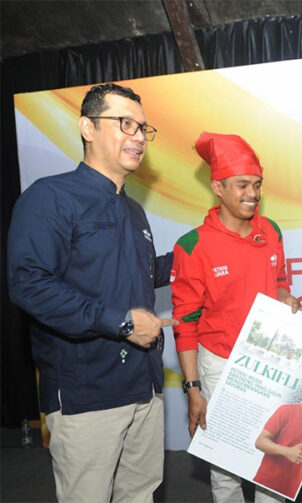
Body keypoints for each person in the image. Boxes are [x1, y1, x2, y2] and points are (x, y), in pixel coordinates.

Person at [7, 82, 177, 502]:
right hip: (87, 393)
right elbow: (29, 284)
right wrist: (121, 323)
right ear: (88, 127)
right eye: (125, 123)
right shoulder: (50, 197)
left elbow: (139, 275)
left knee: (140, 495)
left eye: (143, 128)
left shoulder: (133, 210)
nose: (139, 136)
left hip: (144, 387)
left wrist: (200, 256)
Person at [170, 131, 300, 503]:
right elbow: (185, 324)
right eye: (242, 185)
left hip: (271, 362)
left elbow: (280, 280)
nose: (252, 193)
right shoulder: (193, 246)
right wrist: (193, 389)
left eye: (257, 184)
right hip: (220, 364)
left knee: (273, 460)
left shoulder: (271, 231)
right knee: (227, 465)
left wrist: (285, 295)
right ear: (218, 187)